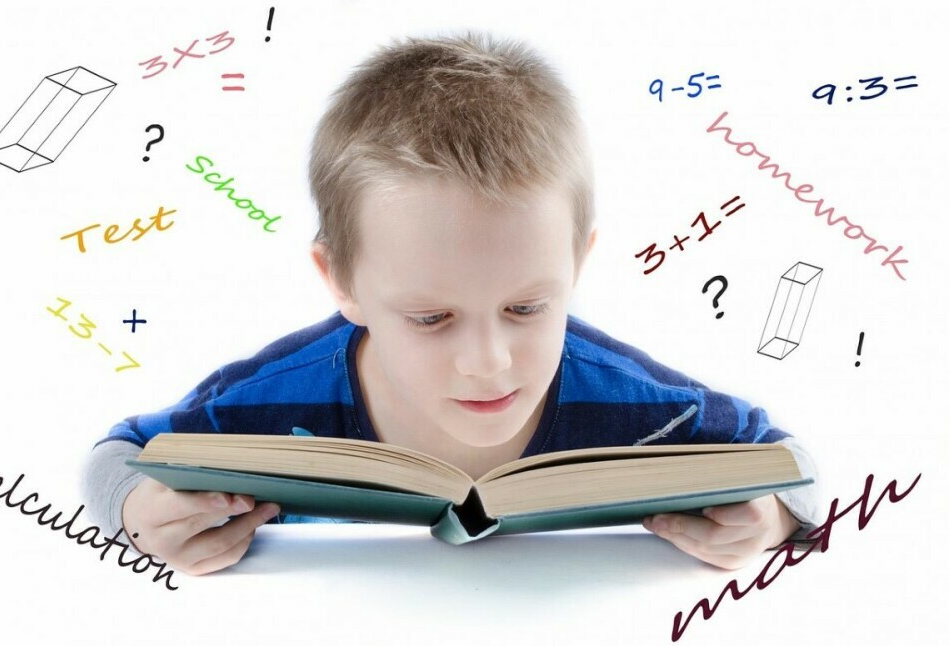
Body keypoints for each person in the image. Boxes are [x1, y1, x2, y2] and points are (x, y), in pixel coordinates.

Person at [82, 31, 819, 576]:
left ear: (577, 263)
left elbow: (793, 467)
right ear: (339, 280)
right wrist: (136, 513)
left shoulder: (649, 407)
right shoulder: (264, 402)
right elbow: (119, 452)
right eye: (430, 318)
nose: (489, 363)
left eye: (528, 308)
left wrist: (772, 519)